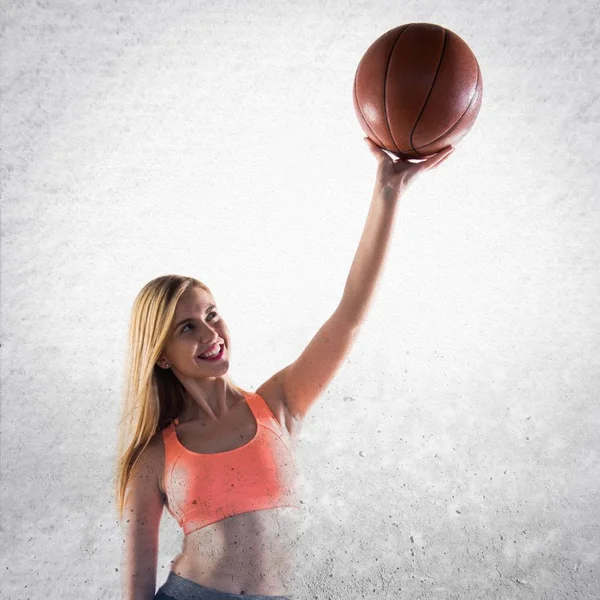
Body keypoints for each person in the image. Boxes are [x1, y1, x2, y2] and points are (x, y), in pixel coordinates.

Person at [114, 139, 455, 600]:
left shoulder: (278, 404)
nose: (211, 335)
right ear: (160, 354)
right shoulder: (154, 457)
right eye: (187, 328)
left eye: (212, 315)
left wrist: (388, 194)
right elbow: (134, 590)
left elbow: (349, 315)